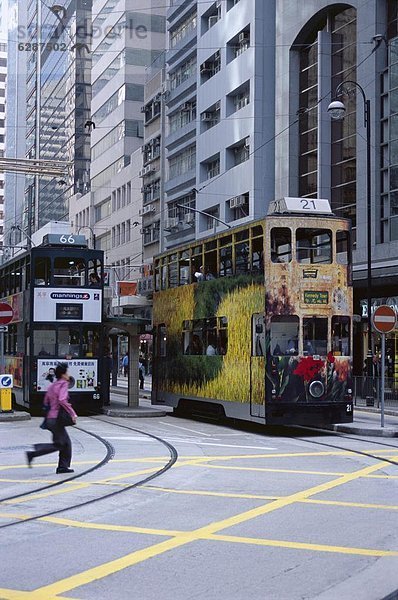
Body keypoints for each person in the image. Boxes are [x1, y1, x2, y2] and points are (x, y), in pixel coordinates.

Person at [26, 363, 77, 474]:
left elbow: (46, 402)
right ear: (63, 374)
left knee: (65, 443)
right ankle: (34, 452)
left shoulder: (53, 386)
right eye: (67, 372)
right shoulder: (63, 384)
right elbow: (62, 400)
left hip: (50, 419)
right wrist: (72, 414)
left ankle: (62, 466)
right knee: (61, 444)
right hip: (56, 419)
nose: (68, 375)